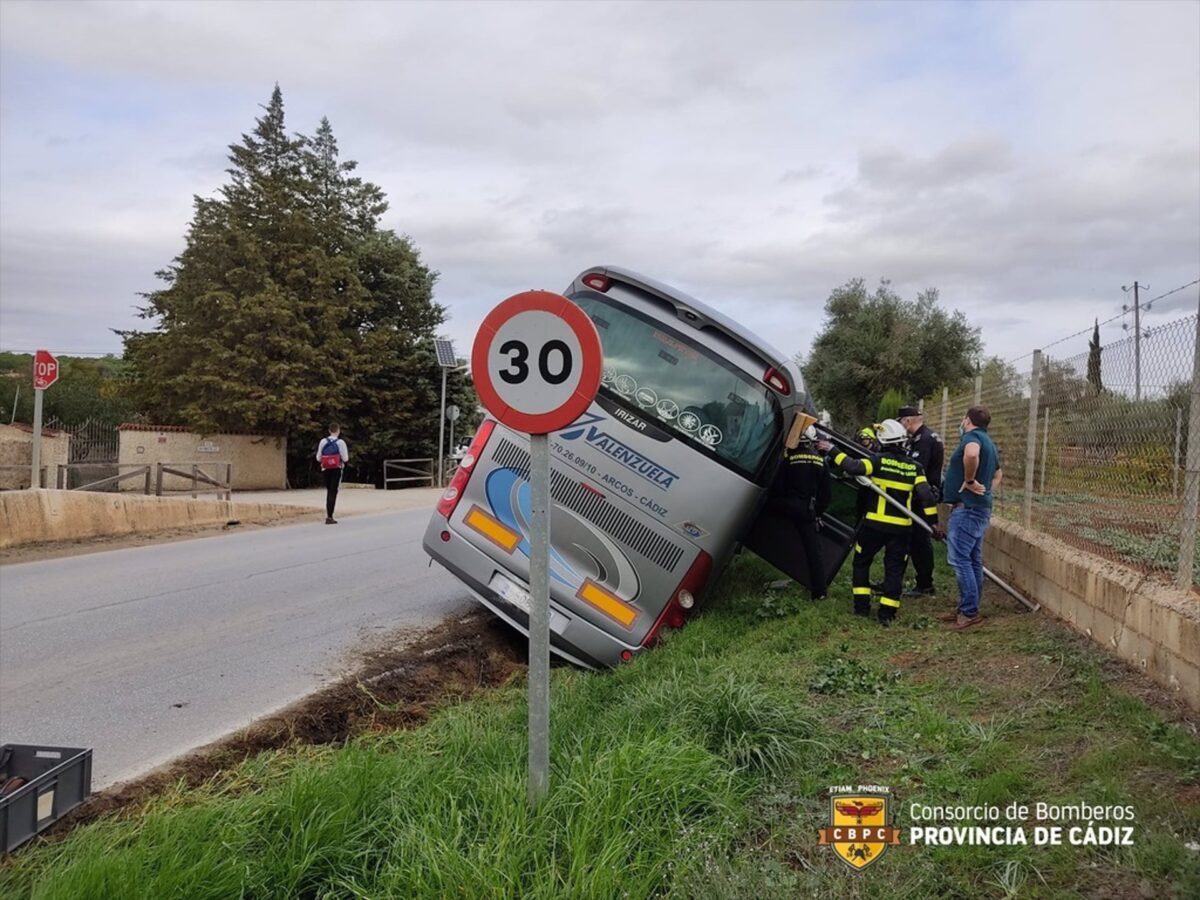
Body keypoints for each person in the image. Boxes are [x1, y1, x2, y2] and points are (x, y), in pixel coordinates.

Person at [819, 419, 941, 626]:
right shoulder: (915, 468)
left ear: (883, 441)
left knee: (861, 562)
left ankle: (861, 608)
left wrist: (831, 450)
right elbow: (926, 497)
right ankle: (887, 614)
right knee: (894, 570)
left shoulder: (877, 461)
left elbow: (853, 466)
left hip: (874, 526)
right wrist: (934, 523)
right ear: (903, 441)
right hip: (902, 528)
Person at [941, 406, 1000, 630]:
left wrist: (970, 480)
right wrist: (986, 492)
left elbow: (972, 454)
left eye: (963, 419)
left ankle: (969, 612)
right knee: (973, 559)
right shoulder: (990, 443)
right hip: (979, 508)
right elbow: (998, 473)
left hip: (967, 510)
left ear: (967, 420)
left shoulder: (973, 438)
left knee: (960, 559)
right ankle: (969, 607)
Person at [766, 425, 832, 600]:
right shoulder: (821, 462)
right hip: (806, 511)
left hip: (785, 505)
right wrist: (817, 513)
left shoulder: (787, 460)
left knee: (760, 515)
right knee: (814, 551)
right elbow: (826, 494)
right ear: (810, 441)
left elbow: (776, 485)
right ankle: (820, 592)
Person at [897, 406, 944, 596]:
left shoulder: (924, 440)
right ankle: (896, 579)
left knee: (919, 541)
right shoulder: (920, 437)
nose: (900, 425)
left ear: (907, 421)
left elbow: (916, 469)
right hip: (918, 496)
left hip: (922, 497)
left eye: (901, 422)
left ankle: (925, 584)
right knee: (908, 540)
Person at [316, 423, 349, 524]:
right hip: (336, 468)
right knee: (333, 491)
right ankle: (330, 516)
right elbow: (345, 458)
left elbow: (318, 457)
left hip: (325, 468)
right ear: (338, 431)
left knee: (329, 490)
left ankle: (329, 515)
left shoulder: (323, 441)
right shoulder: (341, 442)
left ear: (329, 431)